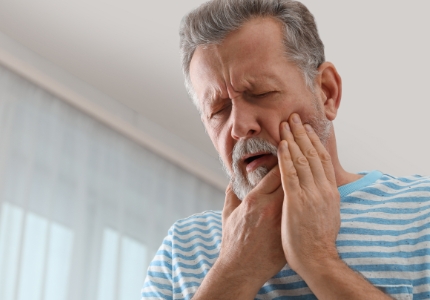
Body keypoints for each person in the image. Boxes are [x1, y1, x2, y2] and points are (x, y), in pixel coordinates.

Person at [142, 0, 430, 299]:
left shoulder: (423, 210)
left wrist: (318, 259)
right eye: (218, 110)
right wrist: (235, 268)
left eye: (261, 92)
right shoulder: (183, 248)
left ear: (327, 93)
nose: (240, 127)